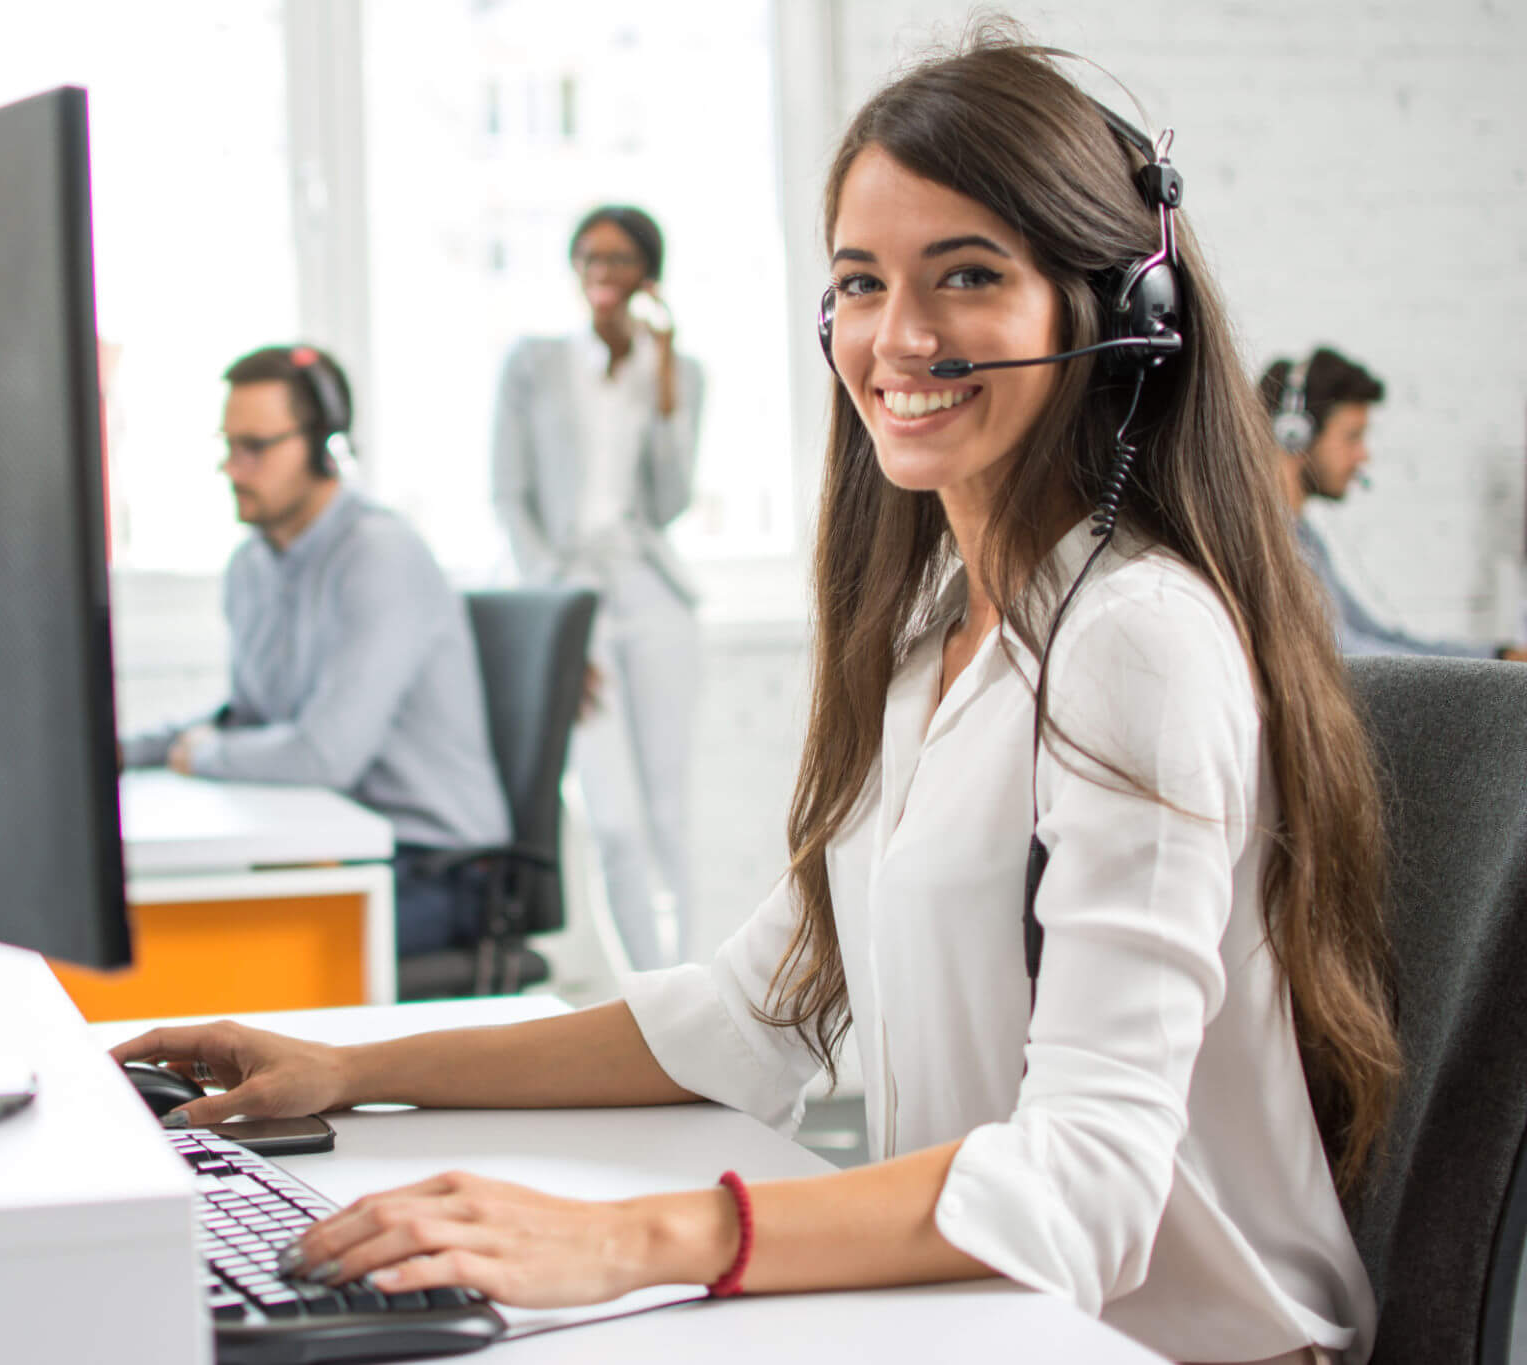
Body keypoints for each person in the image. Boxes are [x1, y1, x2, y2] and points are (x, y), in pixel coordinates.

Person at [115, 32, 1400, 1364]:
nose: (898, 336)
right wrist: (352, 1069)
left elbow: (1087, 1181)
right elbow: (757, 1012)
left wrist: (629, 1241)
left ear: (1116, 316)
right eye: (860, 282)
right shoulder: (926, 633)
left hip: (1175, 1344)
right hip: (989, 1320)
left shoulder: (1135, 640)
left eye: (965, 275)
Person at [119, 345, 512, 955]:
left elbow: (325, 756)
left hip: (437, 868)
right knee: (160, 926)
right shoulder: (251, 566)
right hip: (328, 847)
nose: (233, 468)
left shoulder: (378, 556)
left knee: (225, 956)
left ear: (326, 447)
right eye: (227, 445)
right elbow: (249, 721)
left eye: (254, 447)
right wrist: (123, 751)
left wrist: (200, 757)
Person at [490, 204, 705, 970]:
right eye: (589, 258)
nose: (601, 274)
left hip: (651, 591)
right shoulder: (534, 364)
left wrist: (668, 379)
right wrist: (554, 616)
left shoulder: (677, 372)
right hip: (570, 591)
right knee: (612, 818)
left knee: (670, 814)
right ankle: (649, 997)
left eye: (618, 260)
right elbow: (509, 497)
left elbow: (672, 499)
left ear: (647, 273)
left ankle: (695, 987)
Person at [1260, 346, 1527, 660]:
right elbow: (1348, 656)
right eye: (1352, 436)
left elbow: (1375, 636)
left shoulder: (1305, 538)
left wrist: (1498, 658)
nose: (1364, 455)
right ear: (1295, 435)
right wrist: (1485, 678)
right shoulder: (1268, 543)